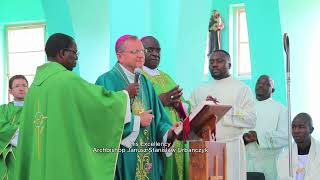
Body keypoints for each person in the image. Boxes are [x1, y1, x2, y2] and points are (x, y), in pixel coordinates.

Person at [14, 33, 130, 180]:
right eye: (74, 52)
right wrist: (125, 95)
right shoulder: (68, 80)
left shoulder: (34, 88)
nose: (76, 58)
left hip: (38, 163)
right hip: (62, 162)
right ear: (62, 53)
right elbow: (99, 104)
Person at [95, 35, 178, 180]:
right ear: (119, 56)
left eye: (142, 51)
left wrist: (169, 133)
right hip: (122, 158)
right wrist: (137, 121)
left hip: (148, 160)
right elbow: (103, 121)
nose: (141, 55)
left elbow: (158, 119)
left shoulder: (145, 82)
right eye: (135, 52)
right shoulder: (105, 80)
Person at [189, 49, 256, 180]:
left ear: (229, 65)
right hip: (203, 147)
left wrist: (221, 110)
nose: (214, 64)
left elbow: (251, 120)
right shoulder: (199, 90)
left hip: (230, 148)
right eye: (211, 61)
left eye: (219, 61)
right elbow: (190, 117)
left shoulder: (242, 89)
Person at [141, 36, 190, 180]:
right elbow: (135, 106)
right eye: (150, 50)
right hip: (156, 136)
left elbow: (186, 104)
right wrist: (160, 101)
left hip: (176, 137)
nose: (156, 53)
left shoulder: (167, 77)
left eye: (158, 50)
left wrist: (178, 104)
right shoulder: (139, 76)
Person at [243, 75, 288, 180]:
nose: (261, 85)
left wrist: (258, 137)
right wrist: (243, 138)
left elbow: (285, 137)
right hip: (244, 161)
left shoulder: (281, 109)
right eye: (259, 82)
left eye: (266, 84)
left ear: (273, 89)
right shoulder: (245, 106)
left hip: (268, 164)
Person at [0, 75, 28, 180]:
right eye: (17, 86)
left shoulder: (36, 109)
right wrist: (21, 136)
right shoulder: (3, 109)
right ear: (10, 91)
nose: (21, 88)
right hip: (8, 154)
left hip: (31, 152)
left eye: (24, 85)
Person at [277, 113, 320, 180]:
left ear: (311, 130)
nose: (296, 131)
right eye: (293, 127)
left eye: (301, 127)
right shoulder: (284, 156)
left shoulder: (318, 151)